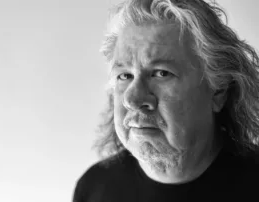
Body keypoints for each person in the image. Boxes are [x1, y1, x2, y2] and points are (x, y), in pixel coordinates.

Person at [73, 0, 259, 201]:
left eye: (161, 73)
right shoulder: (93, 187)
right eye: (124, 75)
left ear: (218, 91)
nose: (133, 99)